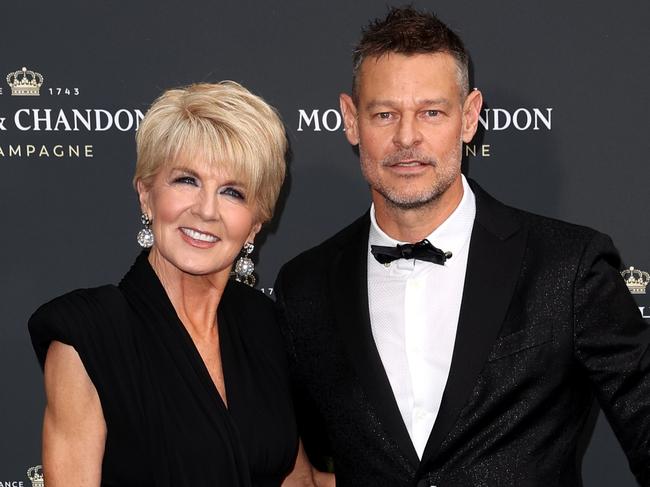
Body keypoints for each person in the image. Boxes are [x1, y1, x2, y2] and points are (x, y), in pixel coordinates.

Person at [274, 7, 650, 487]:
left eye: (431, 112)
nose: (407, 138)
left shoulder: (568, 267)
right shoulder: (305, 287)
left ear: (469, 117)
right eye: (385, 114)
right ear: (351, 119)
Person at [29, 81, 298, 486]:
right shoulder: (89, 334)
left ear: (255, 225)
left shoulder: (266, 325)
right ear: (146, 195)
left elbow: (298, 481)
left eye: (232, 192)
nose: (206, 210)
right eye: (187, 180)